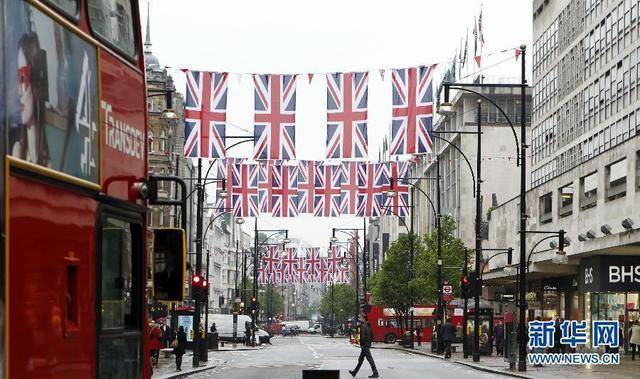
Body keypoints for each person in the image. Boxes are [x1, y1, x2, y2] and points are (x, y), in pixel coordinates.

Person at [13, 32, 50, 166]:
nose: (19, 92)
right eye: (18, 79)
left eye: (23, 78)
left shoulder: (51, 160)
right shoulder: (17, 153)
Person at [349, 313, 379, 378]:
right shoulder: (369, 326)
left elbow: (362, 337)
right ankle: (354, 372)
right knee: (360, 359)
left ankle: (375, 372)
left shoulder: (363, 326)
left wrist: (362, 344)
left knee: (370, 359)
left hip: (364, 345)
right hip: (367, 345)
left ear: (364, 319)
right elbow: (372, 336)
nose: (360, 318)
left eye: (361, 317)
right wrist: (369, 343)